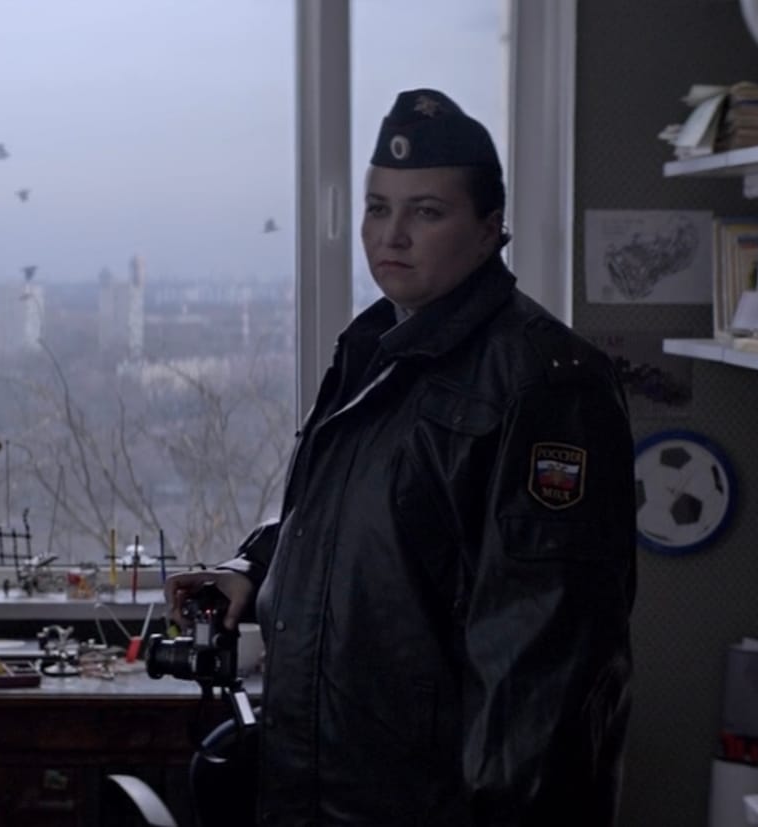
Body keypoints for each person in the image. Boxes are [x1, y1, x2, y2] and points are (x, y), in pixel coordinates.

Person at [166, 88, 637, 825]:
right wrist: (256, 567)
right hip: (324, 790)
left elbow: (543, 661)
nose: (392, 235)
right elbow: (376, 515)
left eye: (427, 211)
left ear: (490, 228)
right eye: (378, 208)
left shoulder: (545, 381)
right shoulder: (377, 347)